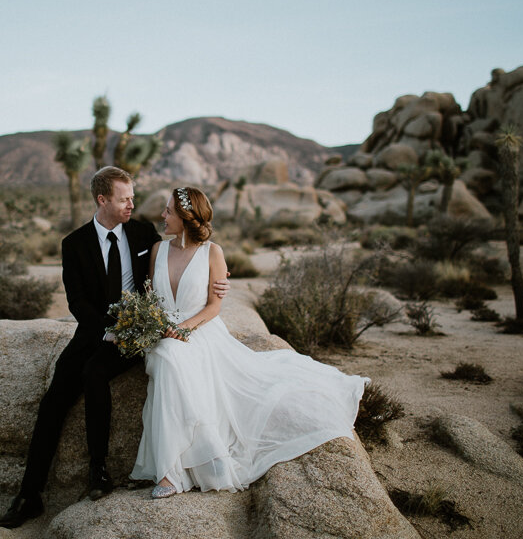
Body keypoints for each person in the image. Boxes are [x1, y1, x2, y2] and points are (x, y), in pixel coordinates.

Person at [0, 168, 228, 528]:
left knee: (95, 373)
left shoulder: (141, 233)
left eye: (133, 196)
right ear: (102, 200)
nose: (132, 204)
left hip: (137, 335)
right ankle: (29, 495)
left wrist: (221, 285)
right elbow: (77, 303)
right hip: (94, 332)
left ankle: (98, 471)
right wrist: (105, 332)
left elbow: (187, 261)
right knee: (54, 397)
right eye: (124, 199)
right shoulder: (74, 244)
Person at [130, 186, 369, 498]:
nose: (162, 216)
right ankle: (185, 464)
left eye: (169, 212)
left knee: (171, 358)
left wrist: (184, 328)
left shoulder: (212, 253)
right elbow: (151, 299)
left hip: (200, 331)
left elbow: (214, 307)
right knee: (165, 356)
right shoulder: (158, 251)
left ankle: (173, 472)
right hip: (162, 333)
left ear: (187, 217)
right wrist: (153, 325)